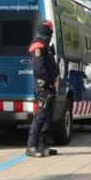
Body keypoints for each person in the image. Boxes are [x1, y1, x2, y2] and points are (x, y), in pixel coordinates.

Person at [27, 20, 60, 157]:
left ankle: (43, 145)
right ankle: (32, 146)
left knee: (48, 117)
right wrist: (50, 82)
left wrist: (55, 79)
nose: (51, 34)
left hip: (50, 86)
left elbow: (52, 65)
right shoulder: (38, 45)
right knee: (40, 117)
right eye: (50, 31)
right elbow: (39, 69)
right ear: (46, 31)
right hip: (43, 87)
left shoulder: (46, 45)